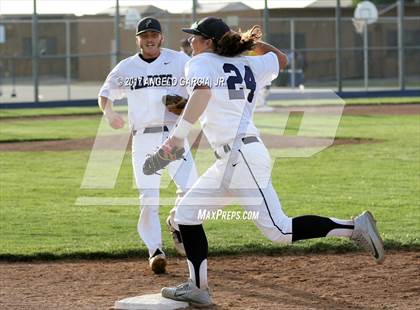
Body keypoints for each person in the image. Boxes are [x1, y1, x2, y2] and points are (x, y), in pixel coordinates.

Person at [157, 17, 385, 306]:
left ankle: (355, 227)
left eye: (196, 37)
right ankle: (198, 287)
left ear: (210, 42)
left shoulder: (199, 63)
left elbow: (202, 92)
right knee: (185, 215)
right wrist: (249, 43)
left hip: (241, 159)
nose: (191, 41)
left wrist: (177, 138)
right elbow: (281, 59)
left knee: (279, 230)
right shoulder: (248, 64)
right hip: (235, 159)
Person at [98, 17, 198, 274]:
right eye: (145, 35)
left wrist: (185, 105)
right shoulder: (126, 67)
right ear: (138, 39)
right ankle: (155, 250)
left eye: (154, 34)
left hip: (173, 135)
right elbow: (105, 94)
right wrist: (109, 114)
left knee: (191, 189)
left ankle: (176, 222)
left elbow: (199, 89)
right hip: (143, 137)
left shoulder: (179, 60)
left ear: (161, 37)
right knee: (148, 198)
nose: (150, 39)